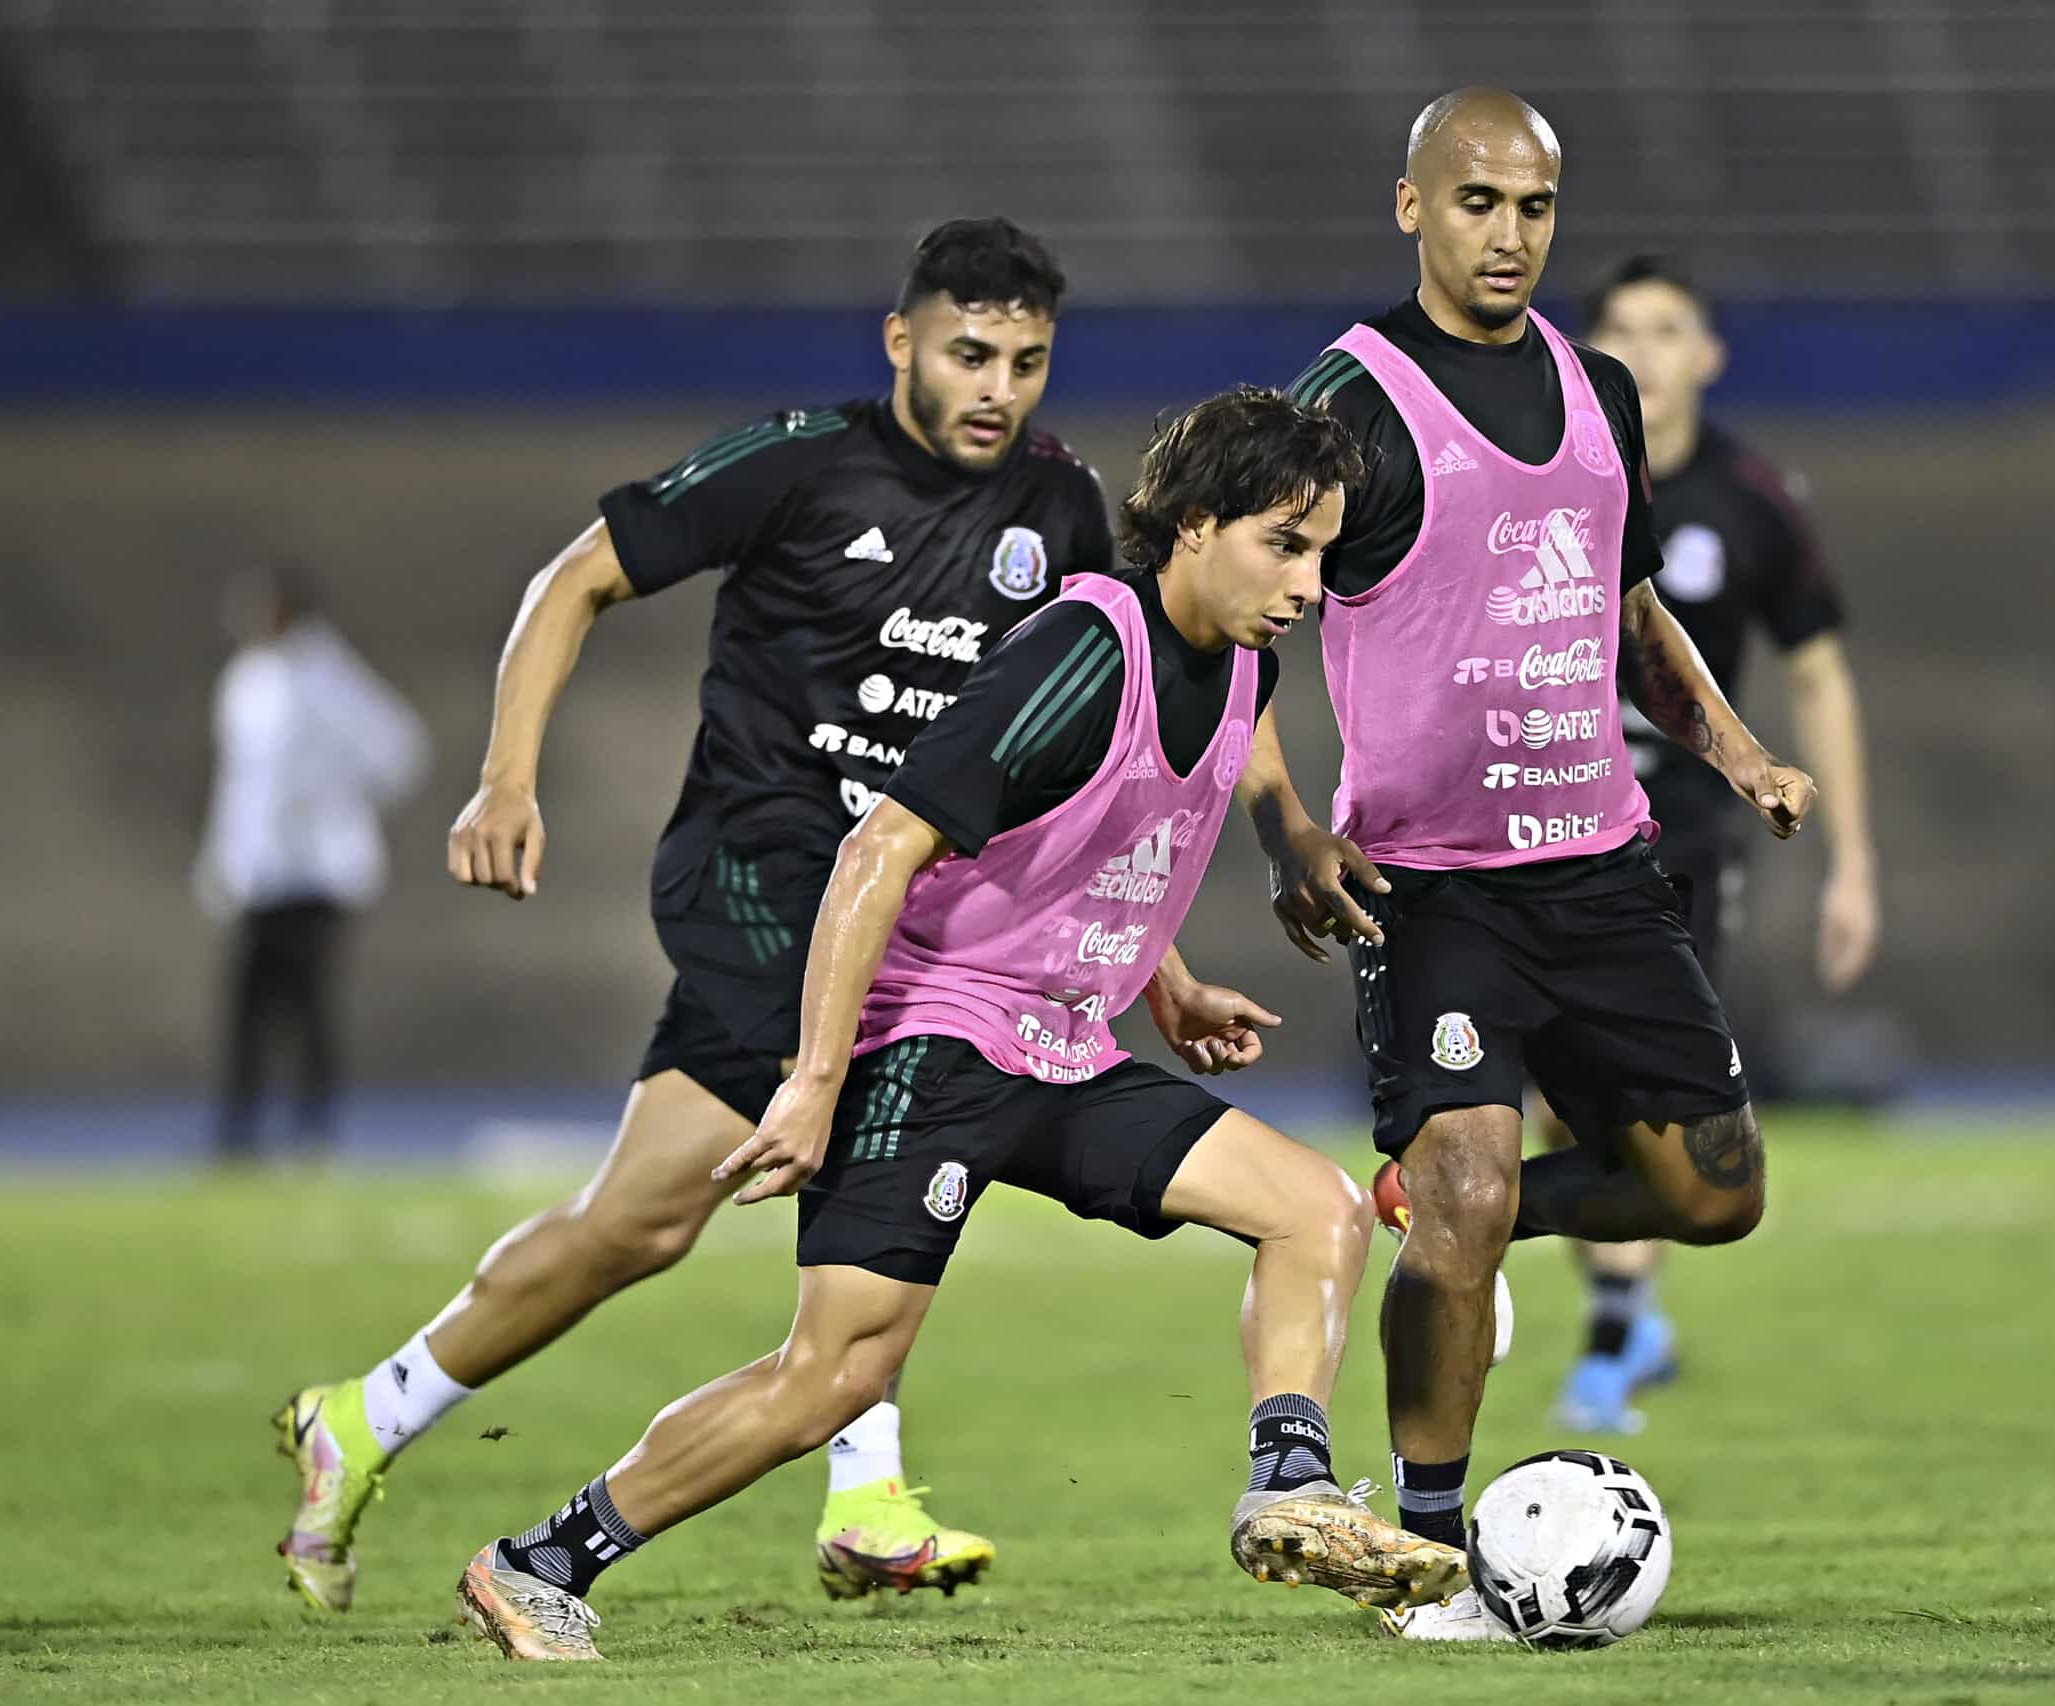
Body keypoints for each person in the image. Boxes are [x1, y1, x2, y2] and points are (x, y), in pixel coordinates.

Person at [452, 387, 1467, 1663]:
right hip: (929, 1046)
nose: (1310, 581)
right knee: (831, 1378)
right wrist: (817, 1076)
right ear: (1194, 525)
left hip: (1059, 1048)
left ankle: (1290, 1488)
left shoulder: (1242, 660)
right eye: (1285, 541)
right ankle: (537, 1561)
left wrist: (1169, 980)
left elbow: (1099, 842)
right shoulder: (1085, 649)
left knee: (1313, 1208)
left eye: (1322, 550)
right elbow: (884, 840)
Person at [270, 218, 1113, 1613]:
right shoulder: (795, 461)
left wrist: (1170, 954)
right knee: (885, 1063)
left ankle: (363, 1415)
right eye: (970, 352)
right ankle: (866, 1486)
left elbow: (1090, 742)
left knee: (634, 1225)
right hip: (757, 877)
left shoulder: (1062, 509)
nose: (997, 388)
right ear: (900, 340)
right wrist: (505, 777)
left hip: (889, 899)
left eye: (1027, 361)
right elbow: (573, 580)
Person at [1277, 88, 1818, 1642]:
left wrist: (1735, 751)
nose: (1506, 234)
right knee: (1467, 1178)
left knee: (1715, 1195)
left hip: (1599, 868)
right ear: (1412, 209)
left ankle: (1457, 1221)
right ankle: (1433, 1552)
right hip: (1431, 885)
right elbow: (1247, 616)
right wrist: (1284, 825)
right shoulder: (1350, 404)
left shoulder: (1600, 392)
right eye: (1476, 203)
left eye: (1531, 208)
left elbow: (1631, 612)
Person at [1523, 253, 1881, 1434]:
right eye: (1621, 328)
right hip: (1544, 823)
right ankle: (1627, 1316)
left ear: (1708, 354)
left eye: (1668, 328)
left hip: (1684, 833)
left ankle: (1616, 1333)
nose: (1644, 350)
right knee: (1557, 1097)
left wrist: (1852, 862)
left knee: (1653, 1090)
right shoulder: (1542, 476)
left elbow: (1817, 670)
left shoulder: (1749, 497)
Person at [196, 563, 428, 1163]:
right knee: (248, 1007)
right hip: (260, 875)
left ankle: (312, 1130)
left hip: (318, 875)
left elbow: (399, 748)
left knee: (308, 1007)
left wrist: (329, 800)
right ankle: (239, 1131)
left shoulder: (329, 675)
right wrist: (221, 861)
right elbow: (239, 785)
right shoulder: (246, 679)